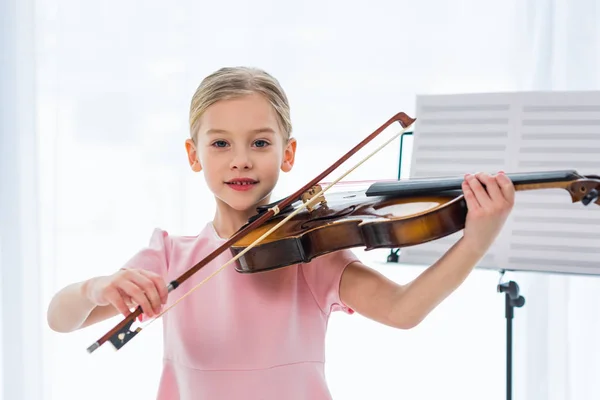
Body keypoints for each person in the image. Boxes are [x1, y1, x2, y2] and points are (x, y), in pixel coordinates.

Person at [46, 66, 515, 399]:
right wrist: (97, 286)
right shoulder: (171, 257)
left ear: (288, 154)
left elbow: (402, 310)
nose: (241, 159)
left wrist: (475, 241)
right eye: (221, 143)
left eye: (261, 143)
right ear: (194, 156)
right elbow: (60, 318)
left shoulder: (310, 254)